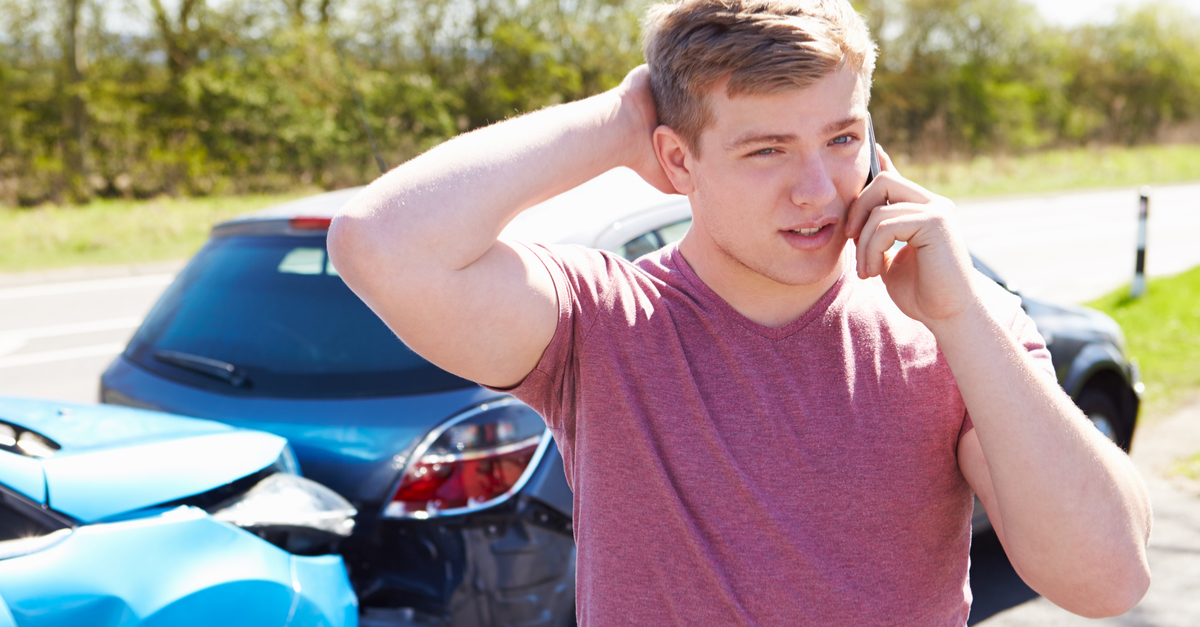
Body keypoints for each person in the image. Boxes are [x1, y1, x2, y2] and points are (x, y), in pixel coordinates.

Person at [328, 0, 1152, 623]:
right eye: (766, 150)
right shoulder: (602, 321)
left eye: (841, 137)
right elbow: (379, 243)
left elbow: (1109, 578)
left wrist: (965, 316)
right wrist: (620, 120)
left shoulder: (957, 326)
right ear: (676, 160)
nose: (819, 190)